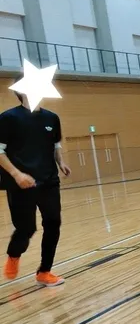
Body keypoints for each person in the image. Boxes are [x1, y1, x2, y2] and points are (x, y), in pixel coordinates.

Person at [0, 84, 71, 287]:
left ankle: (44, 271)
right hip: (21, 184)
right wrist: (16, 174)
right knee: (26, 228)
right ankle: (14, 255)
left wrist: (61, 162)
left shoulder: (52, 118)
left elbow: (56, 145)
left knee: (53, 223)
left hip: (49, 180)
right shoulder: (8, 118)